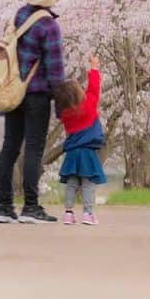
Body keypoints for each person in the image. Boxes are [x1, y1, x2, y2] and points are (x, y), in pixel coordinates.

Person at [0, 0, 68, 225]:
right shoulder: (48, 25)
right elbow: (55, 69)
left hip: (13, 91)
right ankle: (31, 207)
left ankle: (4, 207)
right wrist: (61, 104)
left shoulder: (19, 15)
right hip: (36, 95)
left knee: (10, 146)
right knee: (34, 150)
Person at [55, 54, 106, 226]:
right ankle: (88, 213)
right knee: (88, 183)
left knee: (71, 182)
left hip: (72, 153)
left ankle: (68, 213)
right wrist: (94, 68)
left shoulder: (64, 115)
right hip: (88, 153)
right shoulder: (89, 106)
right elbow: (94, 89)